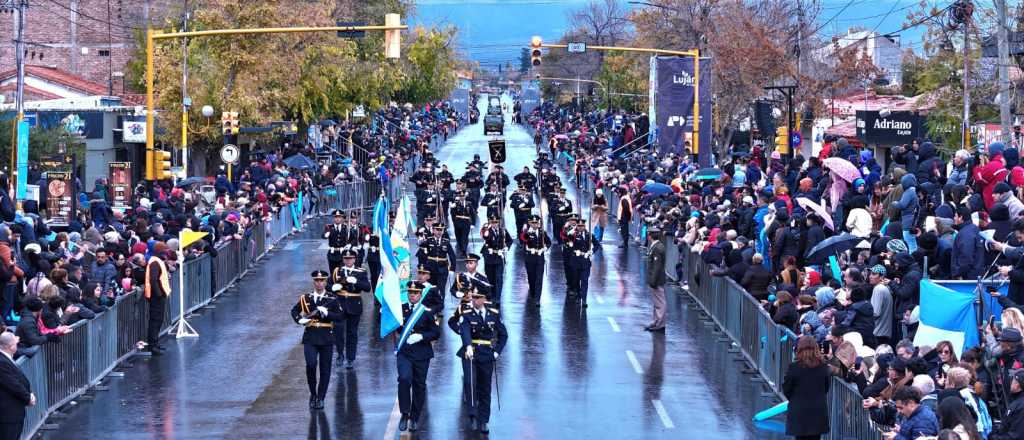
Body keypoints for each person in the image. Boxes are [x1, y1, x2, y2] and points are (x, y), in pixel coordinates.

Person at [290, 270, 343, 410]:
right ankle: (313, 393)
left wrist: (327, 313)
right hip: (311, 336)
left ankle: (321, 397)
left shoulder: (332, 298)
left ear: (326, 282)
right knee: (311, 364)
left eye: (322, 281)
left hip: (326, 336)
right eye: (317, 281)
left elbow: (340, 317)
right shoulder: (306, 298)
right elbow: (294, 311)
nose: (319, 283)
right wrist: (299, 319)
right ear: (313, 282)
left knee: (325, 370)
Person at [459, 289, 508, 434]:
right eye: (473, 297)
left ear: (484, 299)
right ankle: (473, 415)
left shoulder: (493, 314)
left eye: (478, 297)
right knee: (470, 382)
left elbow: (503, 335)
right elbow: (465, 330)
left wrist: (497, 352)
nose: (474, 300)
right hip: (470, 353)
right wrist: (468, 345)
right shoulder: (466, 314)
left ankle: (484, 420)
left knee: (485, 387)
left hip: (487, 354)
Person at [395, 281, 440, 433]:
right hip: (405, 352)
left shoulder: (426, 312)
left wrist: (422, 336)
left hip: (422, 354)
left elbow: (436, 333)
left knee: (419, 385)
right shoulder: (400, 309)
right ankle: (404, 413)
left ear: (420, 295)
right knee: (404, 378)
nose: (412, 295)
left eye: (415, 293)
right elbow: (390, 326)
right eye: (410, 293)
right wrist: (385, 314)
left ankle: (414, 417)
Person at [782, 335, 830, 440]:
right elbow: (826, 387)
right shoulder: (823, 367)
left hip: (799, 411)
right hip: (818, 411)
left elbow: (786, 389)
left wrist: (795, 399)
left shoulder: (794, 367)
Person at [330, 250, 370, 369]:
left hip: (354, 303)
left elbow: (367, 288)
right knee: (338, 331)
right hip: (340, 304)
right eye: (346, 258)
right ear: (343, 259)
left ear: (354, 259)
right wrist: (332, 287)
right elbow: (328, 284)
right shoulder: (338, 271)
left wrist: (356, 281)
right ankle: (340, 354)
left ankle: (351, 358)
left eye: (350, 258)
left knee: (352, 333)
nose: (348, 260)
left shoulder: (361, 271)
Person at [0, 332, 35, 440]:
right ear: (11, 347)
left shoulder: (6, 357)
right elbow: (13, 385)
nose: (17, 345)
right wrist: (28, 397)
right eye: (15, 344)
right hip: (8, 414)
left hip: (13, 412)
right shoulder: (1, 362)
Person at [144, 241, 171, 355]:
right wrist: (159, 294)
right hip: (156, 296)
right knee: (155, 320)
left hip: (159, 295)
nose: (166, 253)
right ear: (160, 251)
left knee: (158, 320)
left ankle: (155, 343)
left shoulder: (157, 261)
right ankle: (152, 345)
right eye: (165, 251)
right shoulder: (155, 262)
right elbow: (153, 280)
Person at [480, 215, 512, 302]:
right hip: (489, 257)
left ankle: (498, 297)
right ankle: (492, 294)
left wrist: (506, 247)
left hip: (499, 257)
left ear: (499, 222)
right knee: (490, 278)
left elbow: (510, 240)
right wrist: (488, 248)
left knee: (499, 278)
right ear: (490, 222)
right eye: (493, 222)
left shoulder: (503, 231)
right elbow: (485, 237)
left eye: (496, 222)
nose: (494, 224)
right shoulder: (487, 230)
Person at [519, 214, 550, 306]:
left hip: (540, 258)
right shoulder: (527, 232)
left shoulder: (542, 233)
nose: (534, 225)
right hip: (530, 258)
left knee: (539, 278)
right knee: (531, 278)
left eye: (536, 223)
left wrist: (544, 248)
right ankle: (532, 291)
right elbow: (523, 239)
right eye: (533, 223)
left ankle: (537, 298)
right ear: (530, 223)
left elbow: (549, 242)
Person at [565, 219, 594, 307]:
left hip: (585, 261)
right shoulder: (574, 234)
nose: (581, 227)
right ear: (577, 226)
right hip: (576, 261)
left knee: (585, 281)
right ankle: (578, 296)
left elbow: (597, 245)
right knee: (576, 280)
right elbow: (567, 238)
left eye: (582, 226)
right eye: (579, 226)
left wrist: (591, 252)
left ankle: (584, 299)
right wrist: (572, 230)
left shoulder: (589, 235)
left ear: (585, 226)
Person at [645, 227, 667, 332]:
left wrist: (652, 281)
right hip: (656, 279)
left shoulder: (657, 248)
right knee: (656, 302)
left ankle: (660, 324)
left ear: (650, 236)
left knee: (660, 303)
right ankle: (656, 321)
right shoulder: (656, 246)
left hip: (657, 280)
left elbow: (657, 267)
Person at [323, 209, 348, 275]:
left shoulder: (345, 228)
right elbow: (323, 235)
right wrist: (326, 234)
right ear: (333, 218)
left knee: (342, 274)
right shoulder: (329, 227)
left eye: (339, 217)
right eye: (336, 217)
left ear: (342, 218)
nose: (337, 219)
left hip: (342, 253)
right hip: (332, 253)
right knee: (333, 273)